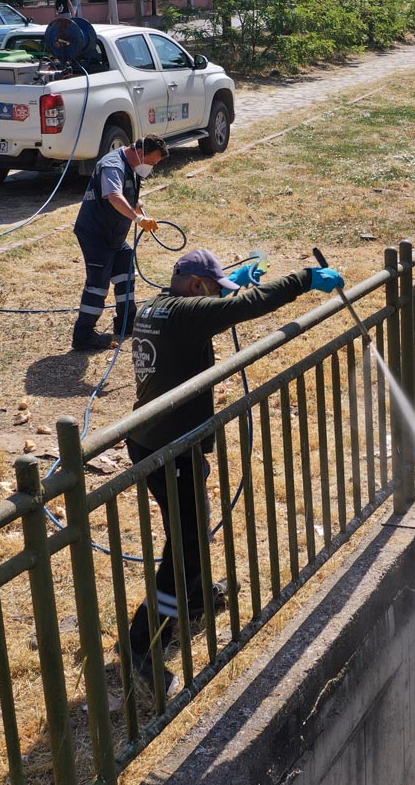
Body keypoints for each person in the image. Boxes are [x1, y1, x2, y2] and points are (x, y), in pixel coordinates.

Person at [124, 248, 345, 690]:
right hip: (172, 447)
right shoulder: (189, 313)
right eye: (212, 289)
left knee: (192, 525)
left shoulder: (155, 307)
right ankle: (142, 646)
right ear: (195, 286)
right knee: (184, 546)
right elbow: (246, 307)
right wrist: (305, 279)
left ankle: (198, 598)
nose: (215, 297)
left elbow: (215, 308)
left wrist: (229, 285)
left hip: (151, 438)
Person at [71, 134, 167, 351]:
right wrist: (137, 219)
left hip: (114, 236)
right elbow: (114, 196)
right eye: (151, 162)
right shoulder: (112, 165)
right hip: (96, 235)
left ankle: (127, 323)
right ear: (141, 153)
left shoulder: (132, 164)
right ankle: (83, 336)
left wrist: (141, 210)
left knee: (125, 270)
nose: (151, 167)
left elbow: (129, 194)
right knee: (98, 286)